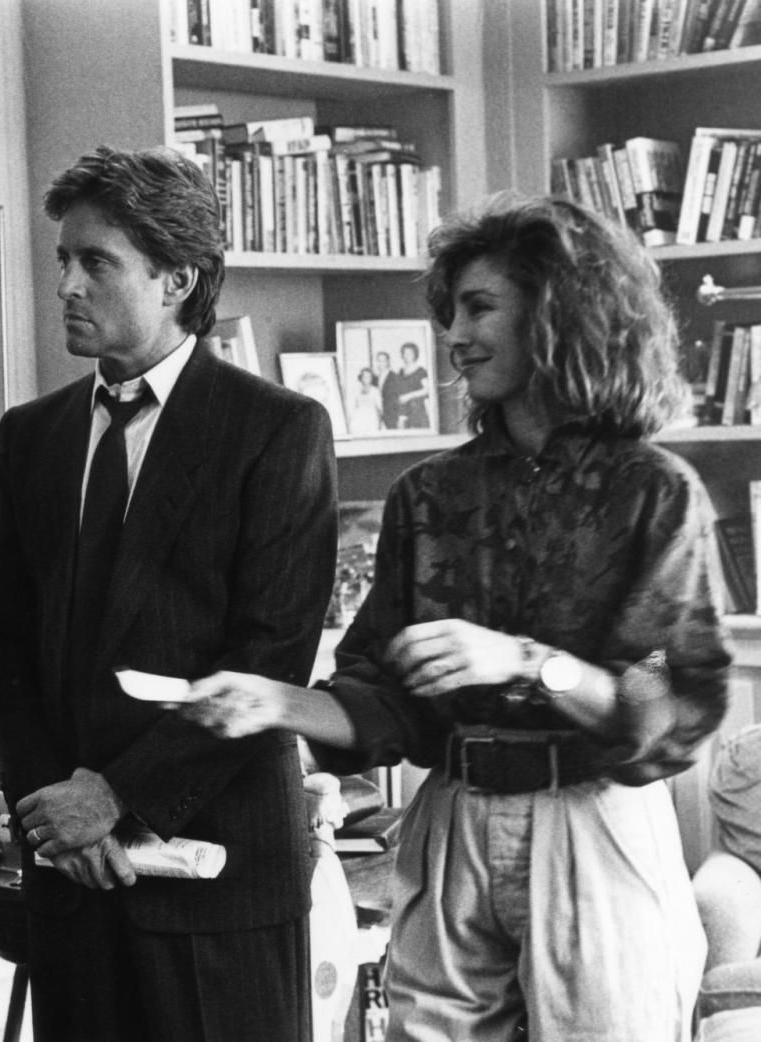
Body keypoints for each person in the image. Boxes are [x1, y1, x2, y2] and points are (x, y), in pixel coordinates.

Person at [183, 193, 731, 1041]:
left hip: (593, 823)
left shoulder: (653, 492)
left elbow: (665, 704)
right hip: (451, 821)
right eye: (451, 311)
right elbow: (386, 700)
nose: (454, 335)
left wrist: (524, 662)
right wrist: (276, 704)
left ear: (557, 316)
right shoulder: (429, 495)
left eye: (480, 308)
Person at [0, 145, 337, 1042]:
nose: (66, 284)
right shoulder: (32, 437)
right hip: (73, 882)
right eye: (64, 259)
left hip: (219, 882)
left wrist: (116, 796)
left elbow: (271, 660)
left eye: (97, 262)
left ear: (178, 279)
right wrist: (56, 809)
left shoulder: (276, 429)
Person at [395, 341, 431, 429]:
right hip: (403, 411)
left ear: (415, 354)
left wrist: (409, 396)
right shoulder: (400, 372)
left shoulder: (421, 371)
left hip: (416, 409)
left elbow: (427, 390)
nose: (407, 356)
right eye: (405, 353)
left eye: (410, 353)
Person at [349, 366, 384, 434]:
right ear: (361, 378)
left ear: (371, 378)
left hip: (372, 420)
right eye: (364, 376)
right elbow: (352, 407)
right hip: (359, 420)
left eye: (368, 377)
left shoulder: (375, 391)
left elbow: (380, 409)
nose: (366, 379)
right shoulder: (356, 391)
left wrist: (380, 423)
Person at [376, 349, 400, 429]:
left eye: (383, 361)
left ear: (388, 362)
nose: (381, 363)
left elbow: (397, 398)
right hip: (378, 414)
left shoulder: (394, 377)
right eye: (379, 361)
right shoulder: (375, 378)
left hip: (391, 414)